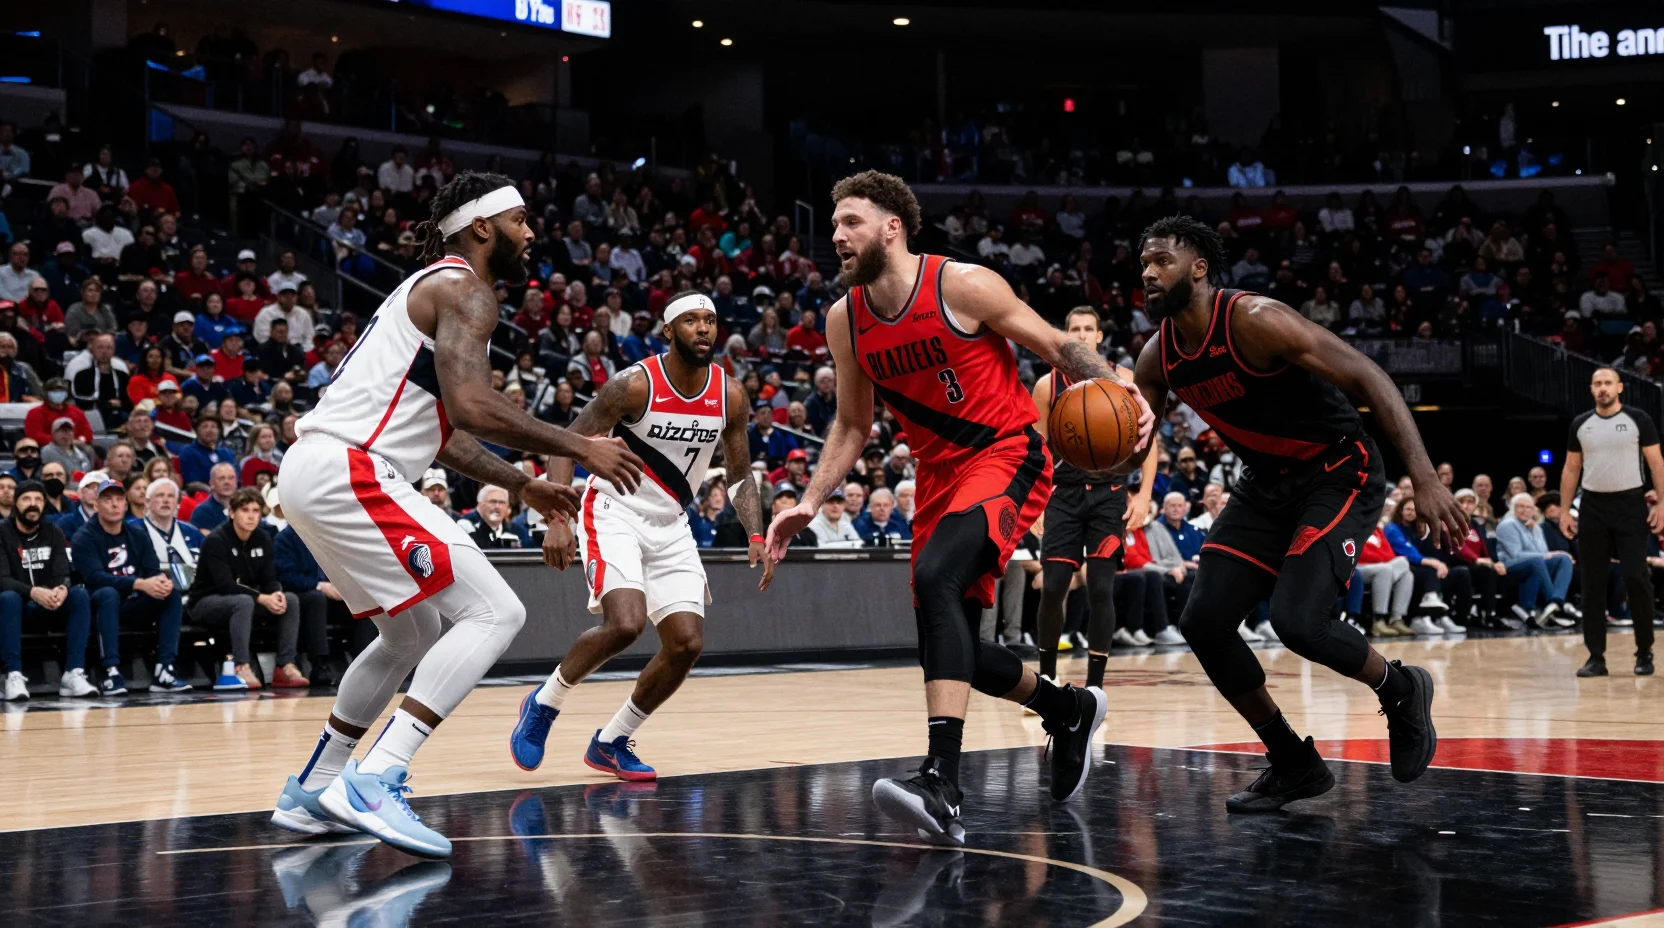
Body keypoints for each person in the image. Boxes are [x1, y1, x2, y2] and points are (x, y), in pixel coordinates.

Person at [766, 172, 1151, 845]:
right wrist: (809, 500)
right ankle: (1067, 710)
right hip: (939, 477)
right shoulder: (845, 319)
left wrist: (1121, 386)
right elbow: (852, 425)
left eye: (851, 221)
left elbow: (1054, 344)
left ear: (892, 227)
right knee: (949, 645)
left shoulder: (962, 285)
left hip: (1006, 453)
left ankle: (942, 781)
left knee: (936, 576)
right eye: (833, 225)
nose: (837, 235)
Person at [270, 172, 637, 859]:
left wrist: (523, 484)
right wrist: (580, 445)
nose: (531, 233)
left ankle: (313, 789)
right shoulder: (466, 290)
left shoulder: (432, 292)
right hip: (353, 467)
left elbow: (444, 433)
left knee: (409, 633)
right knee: (496, 612)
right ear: (481, 227)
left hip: (317, 471)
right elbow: (472, 407)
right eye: (520, 220)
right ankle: (377, 777)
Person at [1117, 214, 1459, 813]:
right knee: (1204, 622)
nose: (1148, 272)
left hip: (1337, 469)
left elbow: (1368, 375)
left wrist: (1425, 477)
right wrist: (1098, 437)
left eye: (1162, 260)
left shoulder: (1255, 320)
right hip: (1264, 486)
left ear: (1199, 268)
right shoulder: (1156, 358)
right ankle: (1292, 762)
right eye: (1144, 262)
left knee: (1299, 622)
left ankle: (1401, 687)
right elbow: (1132, 445)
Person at [511, 291, 772, 781]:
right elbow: (565, 445)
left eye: (710, 320)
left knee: (686, 644)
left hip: (671, 522)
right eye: (691, 320)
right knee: (625, 624)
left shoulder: (731, 394)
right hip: (615, 511)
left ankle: (611, 741)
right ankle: (544, 702)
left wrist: (756, 533)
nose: (703, 328)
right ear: (668, 331)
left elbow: (739, 473)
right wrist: (558, 520)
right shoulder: (633, 385)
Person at [1030, 306, 1160, 689]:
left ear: (1100, 336)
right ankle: (1047, 677)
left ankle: (1095, 688)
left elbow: (1149, 442)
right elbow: (1036, 450)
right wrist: (1034, 502)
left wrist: (1143, 494)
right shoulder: (1047, 385)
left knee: (1102, 589)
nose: (1083, 334)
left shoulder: (1125, 380)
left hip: (1110, 493)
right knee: (1053, 587)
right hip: (1063, 495)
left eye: (1089, 329)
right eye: (1075, 329)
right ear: (1066, 334)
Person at [1559, 368, 1661, 677]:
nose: (1602, 388)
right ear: (1591, 389)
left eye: (1607, 383)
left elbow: (1656, 462)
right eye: (1597, 384)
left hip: (1630, 505)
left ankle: (1644, 651)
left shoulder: (1638, 419)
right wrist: (1564, 511)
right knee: (1592, 582)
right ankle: (1596, 657)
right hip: (1593, 506)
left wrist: (1663, 503)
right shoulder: (1581, 424)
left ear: (1619, 387)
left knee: (1635, 577)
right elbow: (1571, 468)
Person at [73, 479, 191, 694]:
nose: (114, 504)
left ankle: (164, 670)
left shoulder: (137, 534)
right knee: (108, 594)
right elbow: (95, 577)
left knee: (170, 594)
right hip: (98, 606)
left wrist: (160, 582)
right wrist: (139, 583)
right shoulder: (84, 537)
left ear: (126, 504)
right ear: (96, 505)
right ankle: (110, 670)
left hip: (132, 603)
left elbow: (152, 569)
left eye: (119, 499)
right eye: (107, 499)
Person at [189, 487, 308, 690]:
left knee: (290, 600)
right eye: (245, 510)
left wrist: (276, 592)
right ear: (232, 513)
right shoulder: (216, 541)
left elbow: (269, 578)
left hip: (245, 600)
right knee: (243, 602)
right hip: (205, 602)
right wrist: (261, 597)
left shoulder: (262, 538)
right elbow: (225, 585)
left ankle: (285, 665)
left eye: (255, 511)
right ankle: (241, 666)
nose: (251, 516)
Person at [0, 480, 107, 699]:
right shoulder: (2, 532)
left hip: (48, 605)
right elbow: (2, 579)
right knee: (8, 597)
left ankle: (73, 673)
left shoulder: (53, 532)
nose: (33, 504)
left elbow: (63, 572)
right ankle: (12, 675)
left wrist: (61, 589)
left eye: (38, 499)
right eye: (26, 499)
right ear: (16, 504)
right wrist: (32, 592)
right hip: (16, 609)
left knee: (79, 594)